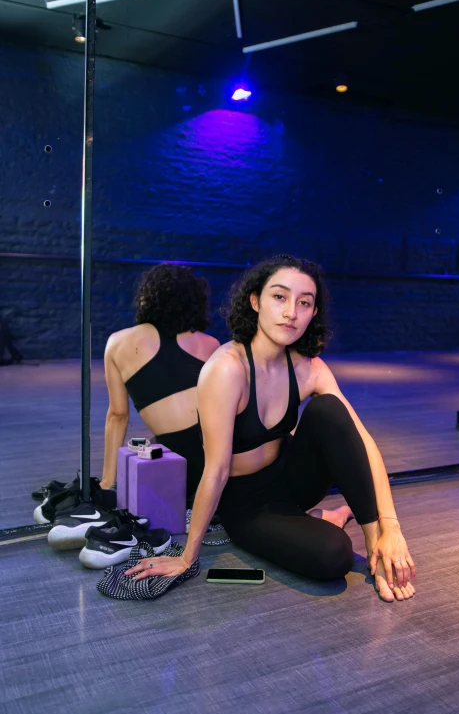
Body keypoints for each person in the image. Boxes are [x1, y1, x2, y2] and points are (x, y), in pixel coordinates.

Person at [127, 255, 416, 602]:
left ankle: (372, 544)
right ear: (255, 301)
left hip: (293, 479)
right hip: (248, 504)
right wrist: (188, 556)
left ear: (313, 313)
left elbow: (362, 443)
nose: (291, 312)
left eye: (304, 303)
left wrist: (389, 529)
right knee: (333, 556)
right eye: (279, 297)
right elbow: (216, 469)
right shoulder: (227, 369)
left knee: (329, 409)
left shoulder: (310, 368)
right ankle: (321, 518)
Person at [101, 263, 219, 501]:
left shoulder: (118, 342)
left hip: (177, 469)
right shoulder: (210, 344)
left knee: (153, 443)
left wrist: (107, 482)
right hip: (218, 467)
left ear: (147, 298)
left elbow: (118, 416)